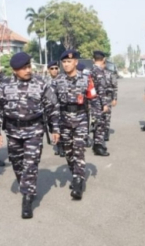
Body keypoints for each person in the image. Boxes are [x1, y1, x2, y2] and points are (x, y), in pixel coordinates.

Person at [0, 52, 59, 218]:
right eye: (23, 68)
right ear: (14, 70)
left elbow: (53, 107)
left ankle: (27, 198)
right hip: (13, 131)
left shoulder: (41, 84)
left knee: (31, 164)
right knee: (17, 164)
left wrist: (55, 129)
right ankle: (26, 184)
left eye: (29, 66)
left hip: (34, 130)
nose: (28, 70)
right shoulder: (4, 86)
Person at [50, 49, 100, 200]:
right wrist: (55, 127)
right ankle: (75, 173)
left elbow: (94, 99)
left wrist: (96, 119)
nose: (66, 64)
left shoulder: (86, 79)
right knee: (69, 153)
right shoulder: (57, 81)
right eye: (64, 62)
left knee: (78, 150)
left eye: (69, 62)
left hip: (81, 119)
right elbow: (53, 105)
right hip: (64, 121)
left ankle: (78, 181)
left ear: (76, 62)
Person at [89, 51, 111, 156]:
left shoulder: (91, 70)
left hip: (91, 101)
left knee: (96, 123)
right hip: (98, 102)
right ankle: (98, 147)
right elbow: (101, 89)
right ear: (103, 60)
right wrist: (105, 104)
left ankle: (96, 145)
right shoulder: (99, 72)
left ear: (93, 60)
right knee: (100, 124)